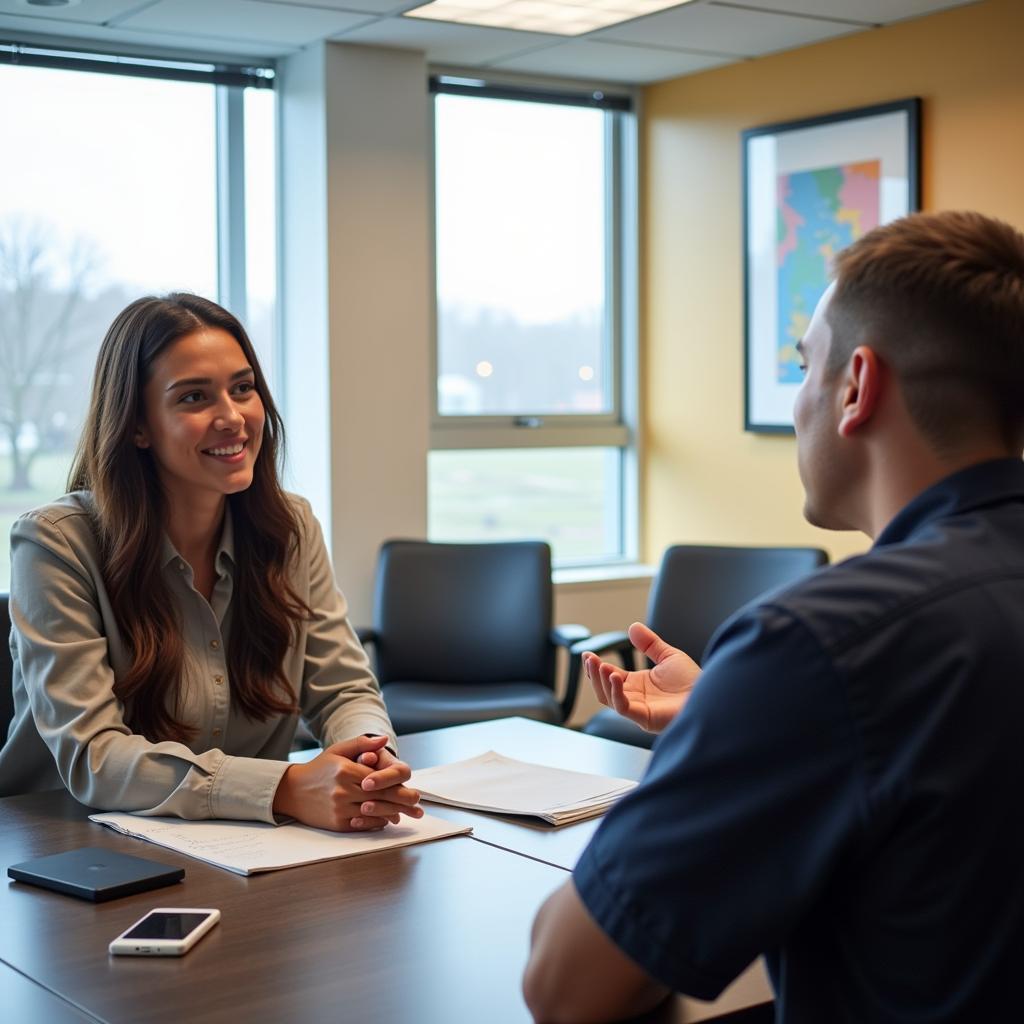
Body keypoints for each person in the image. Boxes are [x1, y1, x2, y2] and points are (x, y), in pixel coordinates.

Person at [523, 210, 1024, 1023]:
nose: (798, 404)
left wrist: (742, 712)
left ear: (857, 387)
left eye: (805, 368)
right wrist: (728, 707)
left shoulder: (823, 643)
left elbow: (566, 984)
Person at [0, 293, 423, 833]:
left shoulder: (290, 528)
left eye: (243, 388)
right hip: (68, 843)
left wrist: (367, 761)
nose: (233, 418)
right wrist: (286, 788)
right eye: (195, 397)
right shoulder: (55, 543)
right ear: (137, 425)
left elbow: (344, 690)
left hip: (245, 844)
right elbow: (95, 758)